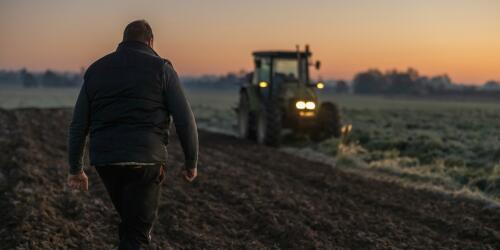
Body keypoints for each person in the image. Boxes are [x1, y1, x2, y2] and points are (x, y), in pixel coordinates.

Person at [67, 19, 199, 249]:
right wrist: (191, 162)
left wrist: (75, 169)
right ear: (150, 41)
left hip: (106, 162)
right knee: (137, 233)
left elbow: (78, 124)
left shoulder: (96, 70)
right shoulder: (162, 69)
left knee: (131, 226)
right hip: (146, 161)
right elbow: (185, 120)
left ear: (124, 40)